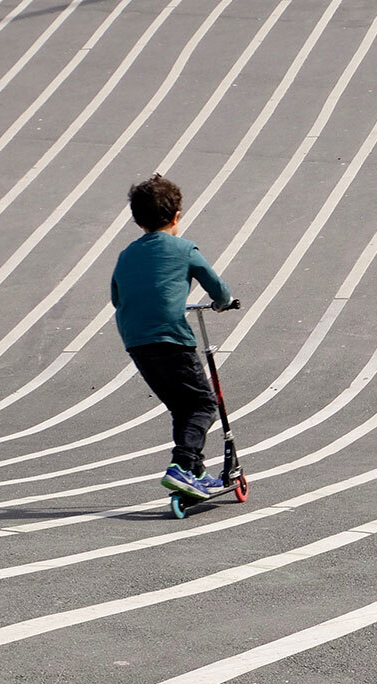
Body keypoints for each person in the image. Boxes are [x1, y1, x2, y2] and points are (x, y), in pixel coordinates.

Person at [110, 174, 240, 498]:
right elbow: (217, 287)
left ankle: (195, 472)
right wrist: (223, 304)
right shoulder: (184, 249)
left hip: (136, 342)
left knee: (181, 407)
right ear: (176, 216)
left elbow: (116, 296)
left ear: (139, 221)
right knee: (203, 404)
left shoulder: (126, 255)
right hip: (170, 338)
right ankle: (181, 466)